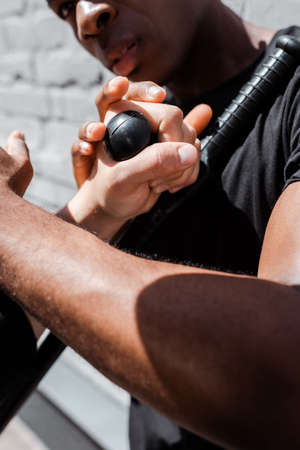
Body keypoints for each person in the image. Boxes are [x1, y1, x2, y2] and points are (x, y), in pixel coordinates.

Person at [2, 0, 300, 447]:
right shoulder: (141, 137)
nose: (85, 18)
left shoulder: (290, 92)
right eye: (64, 8)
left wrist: (8, 222)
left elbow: (284, 378)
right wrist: (95, 213)